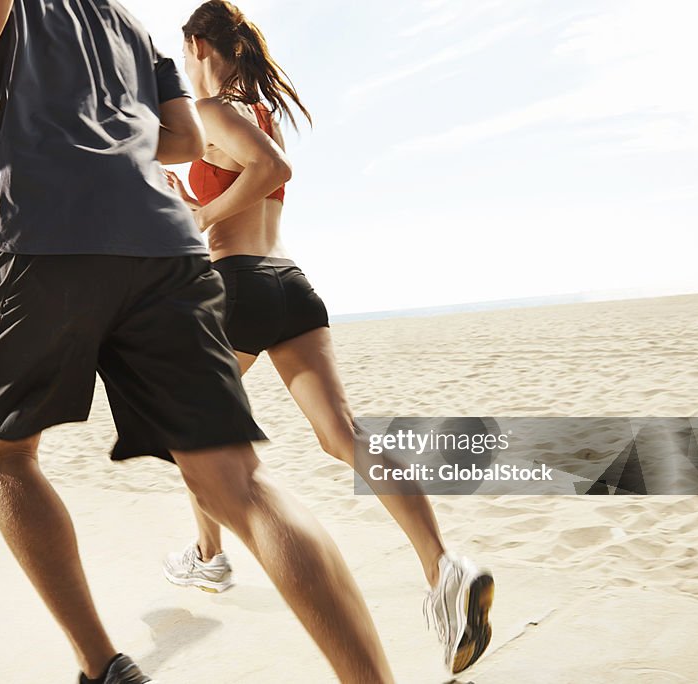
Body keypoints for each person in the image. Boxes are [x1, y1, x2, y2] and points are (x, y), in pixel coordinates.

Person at [0, 1, 399, 683]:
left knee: (8, 458)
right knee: (243, 482)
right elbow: (180, 139)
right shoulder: (132, 26)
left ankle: (103, 667)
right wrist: (114, 122)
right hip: (163, 242)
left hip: (43, 232)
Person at [160, 0, 494, 675]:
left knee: (189, 434)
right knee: (343, 436)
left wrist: (197, 214)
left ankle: (209, 558)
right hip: (290, 285)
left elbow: (270, 172)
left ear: (198, 44)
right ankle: (445, 569)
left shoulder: (217, 112)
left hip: (239, 287)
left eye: (182, 49)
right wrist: (188, 199)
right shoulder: (255, 111)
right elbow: (254, 178)